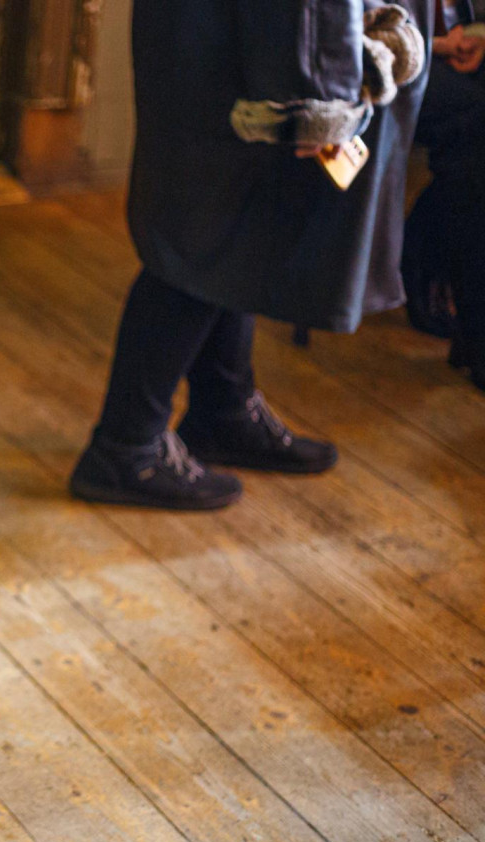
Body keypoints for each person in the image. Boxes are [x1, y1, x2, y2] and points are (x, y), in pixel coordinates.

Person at [70, 1, 428, 510]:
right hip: (252, 44)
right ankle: (126, 449)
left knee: (234, 230)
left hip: (222, 36)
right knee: (204, 235)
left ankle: (223, 409)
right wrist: (321, 98)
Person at [403, 0, 485, 389]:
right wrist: (435, 44)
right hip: (375, 57)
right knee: (477, 129)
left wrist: (481, 34)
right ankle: (476, 331)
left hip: (445, 42)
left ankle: (424, 247)